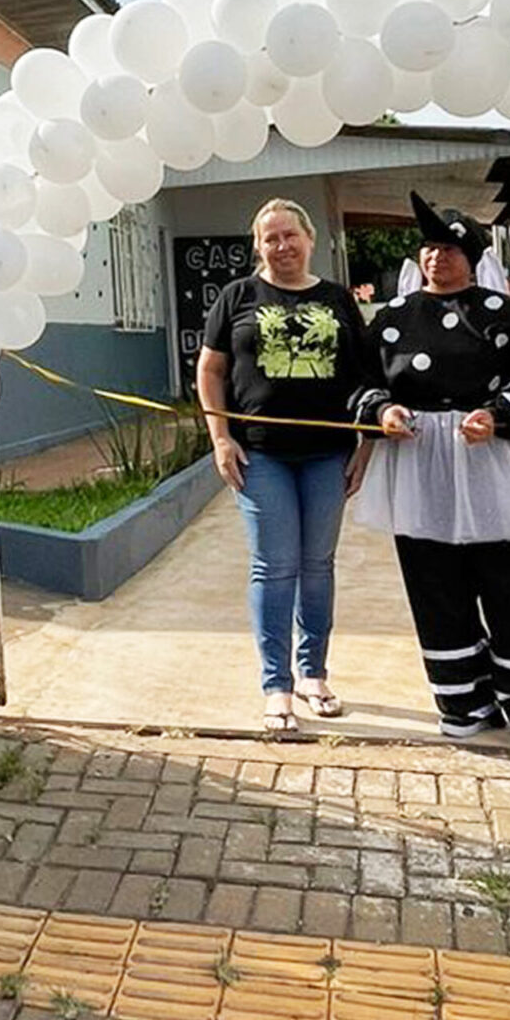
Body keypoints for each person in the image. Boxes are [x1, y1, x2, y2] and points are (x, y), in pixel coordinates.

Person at [351, 193, 510, 749]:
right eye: (429, 249)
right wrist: (383, 411)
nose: (436, 259)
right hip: (421, 464)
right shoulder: (392, 319)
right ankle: (463, 699)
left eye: (449, 249)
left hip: (493, 463)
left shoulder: (507, 315)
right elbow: (363, 382)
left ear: (471, 257)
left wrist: (498, 417)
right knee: (435, 586)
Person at [197, 198, 371, 733]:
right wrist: (221, 438)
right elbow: (211, 369)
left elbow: (366, 377)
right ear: (258, 246)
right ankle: (276, 685)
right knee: (274, 565)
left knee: (317, 564)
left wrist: (364, 447)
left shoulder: (337, 299)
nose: (282, 246)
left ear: (309, 239)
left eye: (289, 235)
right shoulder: (237, 297)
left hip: (328, 454)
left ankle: (312, 674)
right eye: (270, 238)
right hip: (261, 453)